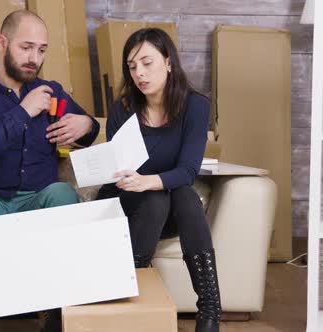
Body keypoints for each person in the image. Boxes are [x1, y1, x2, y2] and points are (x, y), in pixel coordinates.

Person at [0, 9, 99, 332]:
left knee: (63, 193)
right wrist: (23, 111)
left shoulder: (52, 91)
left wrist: (87, 123)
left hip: (38, 200)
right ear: (3, 42)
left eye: (41, 50)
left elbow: (90, 129)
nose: (34, 58)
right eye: (26, 47)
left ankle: (55, 316)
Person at [96, 28, 222, 332]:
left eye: (147, 62)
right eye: (132, 66)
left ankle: (210, 310)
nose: (139, 73)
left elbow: (189, 170)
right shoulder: (123, 109)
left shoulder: (196, 106)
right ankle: (136, 289)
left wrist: (148, 180)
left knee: (182, 195)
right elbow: (120, 171)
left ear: (168, 62)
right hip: (128, 205)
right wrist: (133, 181)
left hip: (170, 208)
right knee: (157, 197)